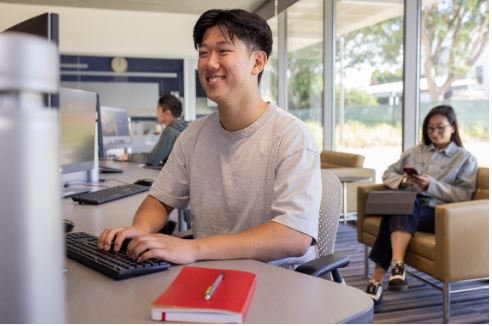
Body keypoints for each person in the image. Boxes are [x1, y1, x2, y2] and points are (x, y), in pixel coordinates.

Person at [98, 9, 321, 269]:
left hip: (278, 280)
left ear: (257, 62)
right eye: (204, 53)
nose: (210, 63)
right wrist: (140, 229)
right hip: (210, 271)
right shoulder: (193, 135)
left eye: (223, 51)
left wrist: (194, 248)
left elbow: (293, 237)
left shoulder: (290, 136)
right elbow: (160, 199)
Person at [365, 104, 478, 304]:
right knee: (405, 205)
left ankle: (377, 279)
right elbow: (388, 173)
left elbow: (463, 195)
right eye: (430, 128)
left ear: (453, 127)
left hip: (439, 214)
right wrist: (403, 181)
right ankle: (396, 267)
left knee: (405, 206)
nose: (435, 133)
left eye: (440, 128)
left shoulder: (465, 159)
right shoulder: (415, 152)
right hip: (411, 209)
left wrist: (431, 186)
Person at [117, 95, 188, 166]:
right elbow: (154, 155)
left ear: (167, 113)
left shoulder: (170, 131)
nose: (156, 113)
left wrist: (128, 156)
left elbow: (153, 159)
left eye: (158, 110)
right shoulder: (183, 128)